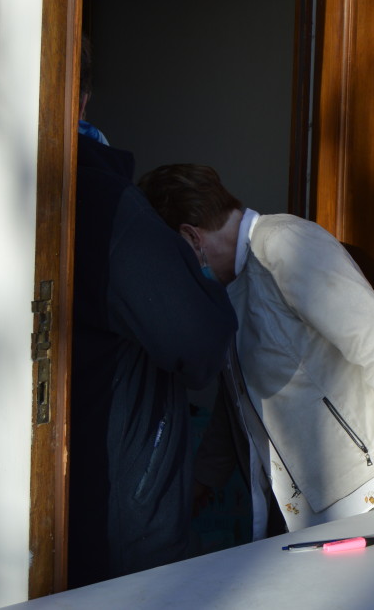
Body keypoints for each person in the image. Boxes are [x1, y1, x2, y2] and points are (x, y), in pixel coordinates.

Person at [136, 163, 374, 538]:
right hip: (311, 501)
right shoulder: (232, 282)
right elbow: (237, 399)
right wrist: (202, 481)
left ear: (190, 236)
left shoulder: (285, 244)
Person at [69, 48, 238, 586]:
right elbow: (200, 344)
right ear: (82, 99)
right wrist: (196, 274)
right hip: (121, 513)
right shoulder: (107, 202)